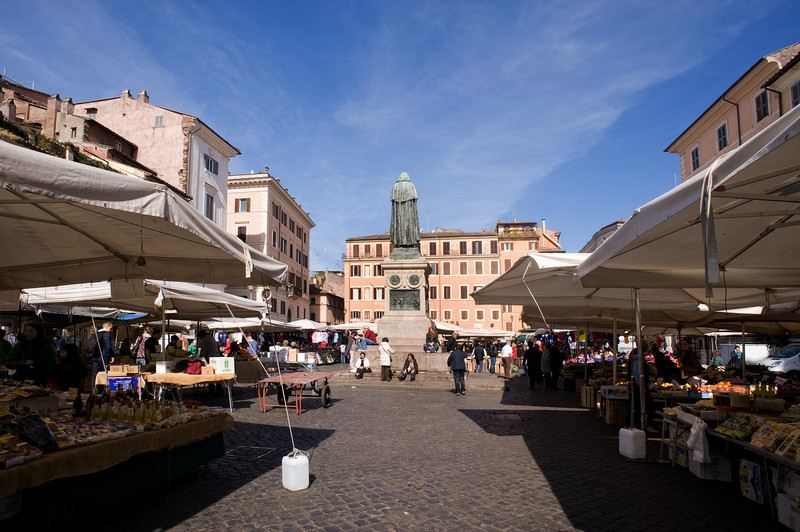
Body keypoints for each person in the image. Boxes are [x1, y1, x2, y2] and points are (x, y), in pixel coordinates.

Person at [6, 321, 57, 386]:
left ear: (38, 332)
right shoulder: (20, 345)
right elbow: (8, 362)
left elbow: (55, 364)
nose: (28, 333)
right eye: (27, 331)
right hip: (22, 380)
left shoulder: (47, 346)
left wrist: (43, 364)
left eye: (31, 331)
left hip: (42, 380)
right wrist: (23, 363)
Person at [628, 348, 658, 432]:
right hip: (638, 386)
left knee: (636, 405)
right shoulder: (638, 358)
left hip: (635, 385)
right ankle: (645, 424)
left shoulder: (635, 357)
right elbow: (637, 372)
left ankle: (637, 423)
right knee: (645, 404)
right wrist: (642, 385)